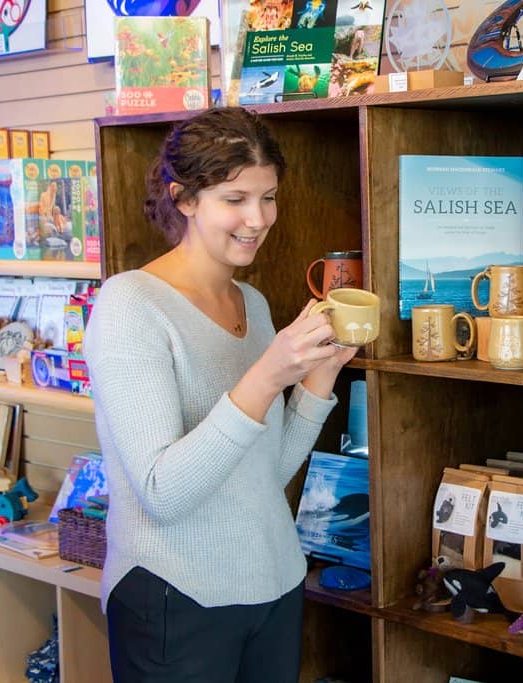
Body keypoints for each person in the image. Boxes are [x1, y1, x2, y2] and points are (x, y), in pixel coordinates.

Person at [83, 106, 357, 682]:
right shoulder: (131, 305)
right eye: (234, 199)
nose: (258, 219)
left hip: (274, 585)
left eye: (269, 197)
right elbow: (163, 492)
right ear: (184, 199)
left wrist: (320, 374)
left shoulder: (252, 304)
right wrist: (267, 374)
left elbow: (268, 468)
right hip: (175, 596)